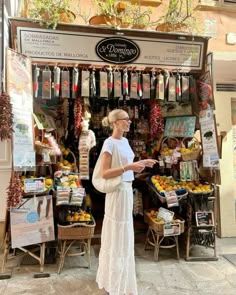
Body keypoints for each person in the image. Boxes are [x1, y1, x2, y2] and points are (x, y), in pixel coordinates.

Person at [96, 109, 157, 295]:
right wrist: (128, 167)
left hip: (126, 191)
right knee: (116, 235)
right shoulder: (109, 143)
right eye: (126, 119)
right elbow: (104, 173)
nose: (129, 122)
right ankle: (113, 283)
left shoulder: (125, 142)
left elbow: (127, 166)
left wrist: (142, 162)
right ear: (115, 122)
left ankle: (122, 283)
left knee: (124, 235)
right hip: (117, 192)